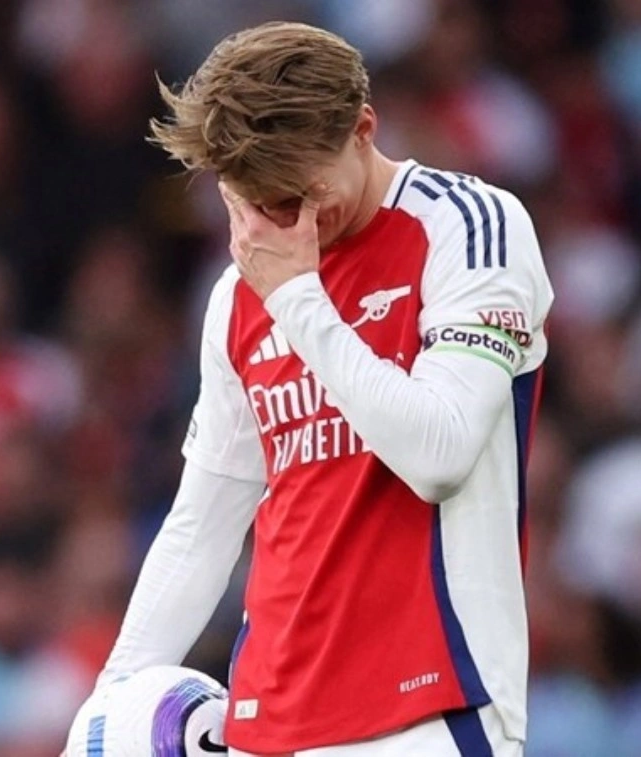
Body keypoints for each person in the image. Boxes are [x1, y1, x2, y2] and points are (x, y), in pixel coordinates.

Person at [88, 21, 553, 757]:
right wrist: (108, 701)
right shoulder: (239, 292)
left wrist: (299, 300)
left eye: (304, 194)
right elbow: (203, 524)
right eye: (261, 200)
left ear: (363, 129)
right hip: (265, 718)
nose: (289, 223)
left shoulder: (470, 227)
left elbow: (440, 455)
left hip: (429, 711)